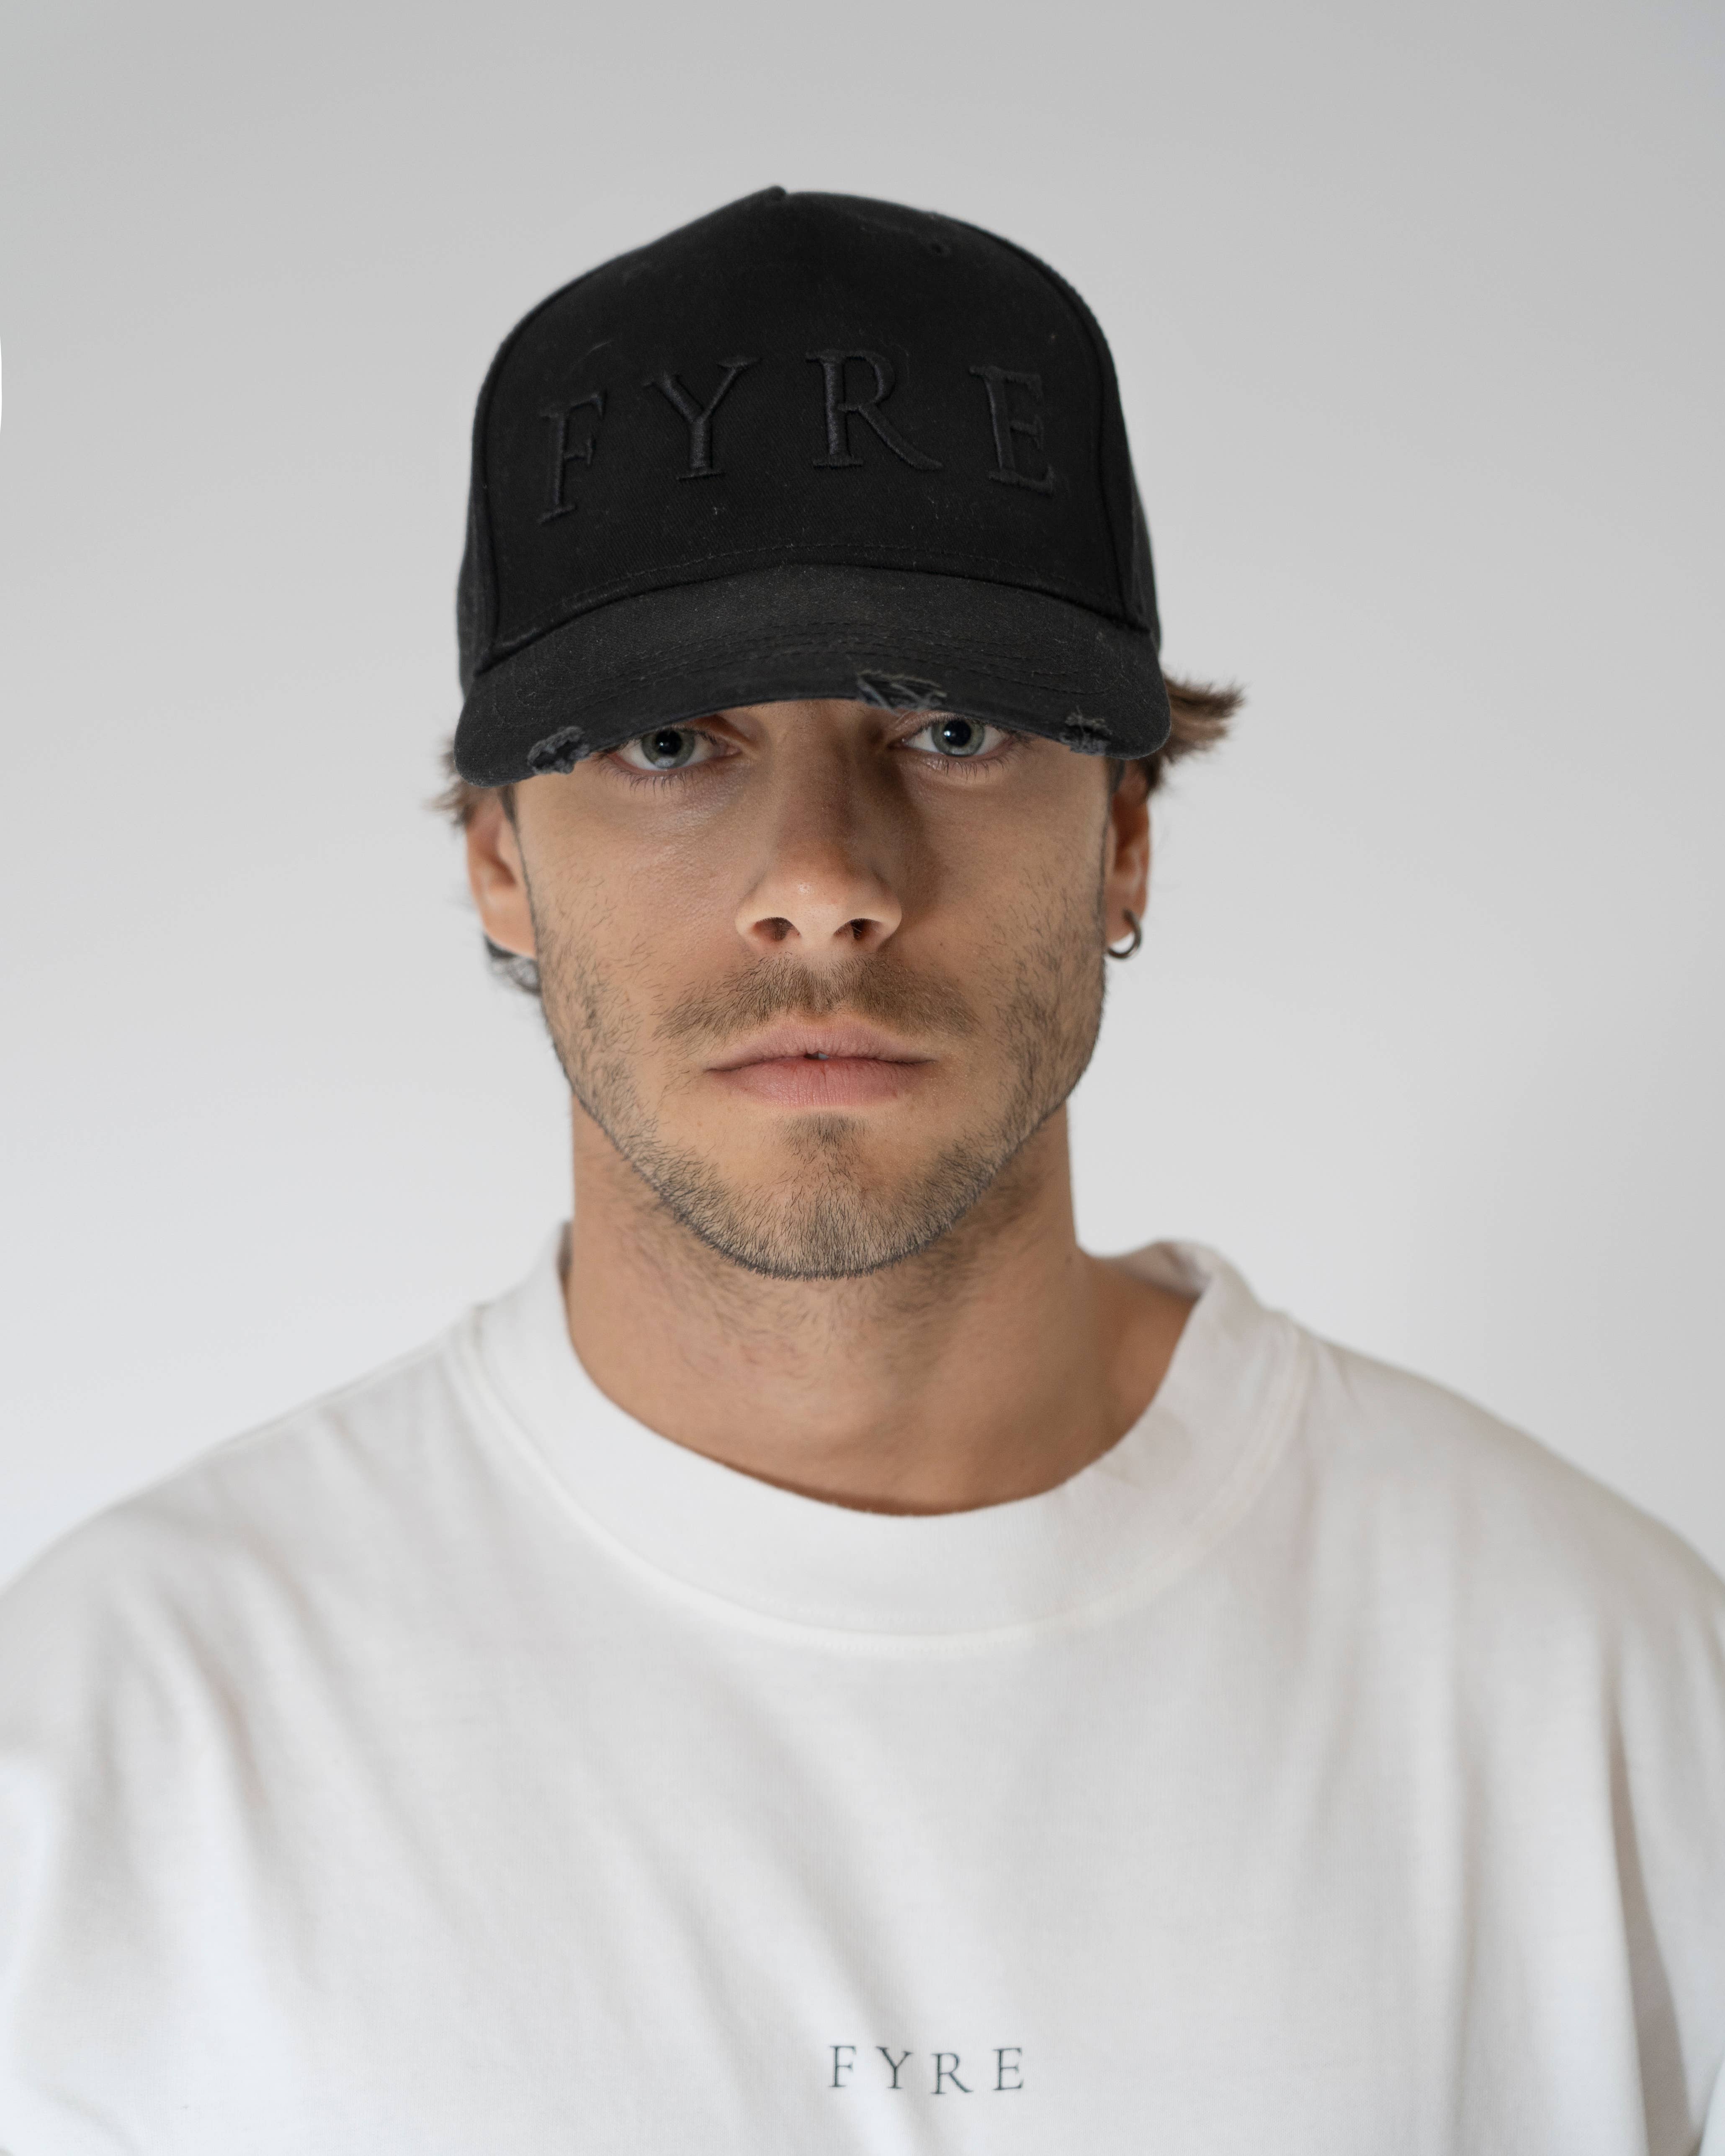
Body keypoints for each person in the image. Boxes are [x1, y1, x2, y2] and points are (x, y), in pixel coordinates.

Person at [1, 187, 1720, 2154]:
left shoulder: (1606, 1700)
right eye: (669, 742)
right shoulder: (112, 1759)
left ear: (1124, 832)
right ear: (497, 858)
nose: (822, 879)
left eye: (953, 727)